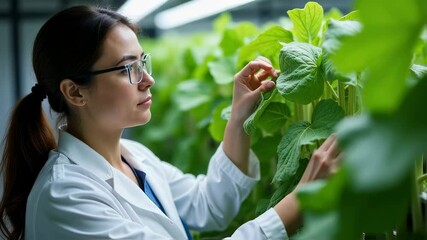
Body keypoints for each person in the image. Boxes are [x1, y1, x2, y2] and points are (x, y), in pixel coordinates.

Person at [0, 5, 341, 240]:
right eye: (127, 68)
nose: (147, 79)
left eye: (143, 62)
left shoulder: (133, 155)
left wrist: (239, 117)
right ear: (75, 92)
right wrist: (299, 200)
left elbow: (208, 205)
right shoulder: (65, 196)